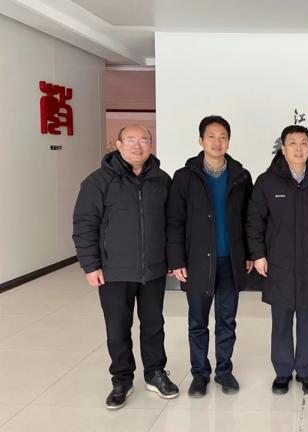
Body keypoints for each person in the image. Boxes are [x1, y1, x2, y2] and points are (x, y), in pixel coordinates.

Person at [72, 125, 179, 410]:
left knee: (154, 324)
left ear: (150, 145)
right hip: (113, 270)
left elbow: (172, 224)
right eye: (130, 140)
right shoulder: (98, 182)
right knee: (118, 327)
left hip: (153, 269)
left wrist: (172, 259)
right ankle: (121, 379)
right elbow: (84, 224)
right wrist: (90, 265)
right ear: (118, 144)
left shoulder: (161, 180)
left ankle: (155, 373)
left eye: (144, 140)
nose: (137, 145)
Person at [246, 125, 308, 395]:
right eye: (293, 143)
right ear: (283, 148)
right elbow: (255, 222)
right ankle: (283, 372)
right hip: (279, 263)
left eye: (304, 143)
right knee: (281, 321)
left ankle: (307, 372)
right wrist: (258, 255)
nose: (299, 149)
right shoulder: (267, 181)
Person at [166, 115, 253, 397]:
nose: (217, 142)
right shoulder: (185, 176)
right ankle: (200, 374)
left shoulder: (241, 176)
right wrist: (176, 260)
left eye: (223, 137)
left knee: (227, 321)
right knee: (198, 322)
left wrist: (250, 253)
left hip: (230, 262)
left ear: (229, 141)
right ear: (201, 140)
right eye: (211, 136)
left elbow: (249, 219)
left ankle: (224, 371)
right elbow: (174, 221)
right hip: (197, 262)